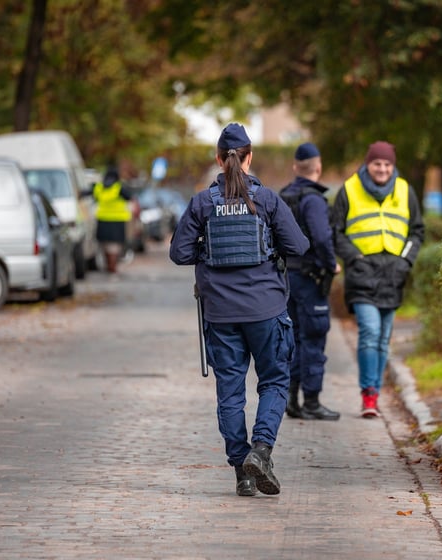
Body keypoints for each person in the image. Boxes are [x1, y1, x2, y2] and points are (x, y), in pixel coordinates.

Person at [168, 123, 309, 497]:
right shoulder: (267, 200)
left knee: (230, 393)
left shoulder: (202, 202)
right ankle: (261, 451)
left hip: (221, 315)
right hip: (266, 310)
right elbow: (299, 246)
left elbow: (179, 253)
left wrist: (210, 252)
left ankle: (241, 473)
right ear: (250, 158)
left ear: (218, 159)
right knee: (275, 382)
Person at [331, 141, 425, 418]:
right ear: (367, 164)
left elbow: (417, 232)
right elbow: (335, 232)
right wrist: (355, 258)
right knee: (370, 332)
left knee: (383, 339)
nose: (382, 169)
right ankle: (368, 394)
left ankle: (376, 393)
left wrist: (405, 260)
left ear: (392, 166)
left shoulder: (406, 190)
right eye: (377, 164)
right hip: (362, 276)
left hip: (393, 276)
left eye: (387, 164)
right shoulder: (349, 190)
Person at [279, 143, 341, 421]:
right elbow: (322, 238)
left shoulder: (283, 195)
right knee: (313, 338)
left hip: (285, 279)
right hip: (310, 278)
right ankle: (312, 402)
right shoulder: (313, 199)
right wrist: (332, 265)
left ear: (295, 167)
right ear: (318, 167)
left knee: (290, 339)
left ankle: (291, 399)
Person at [92, 166, 132, 273]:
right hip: (117, 222)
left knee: (105, 246)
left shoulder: (99, 187)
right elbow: (129, 197)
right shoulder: (119, 188)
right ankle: (112, 268)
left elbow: (91, 196)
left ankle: (109, 266)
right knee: (114, 247)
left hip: (102, 221)